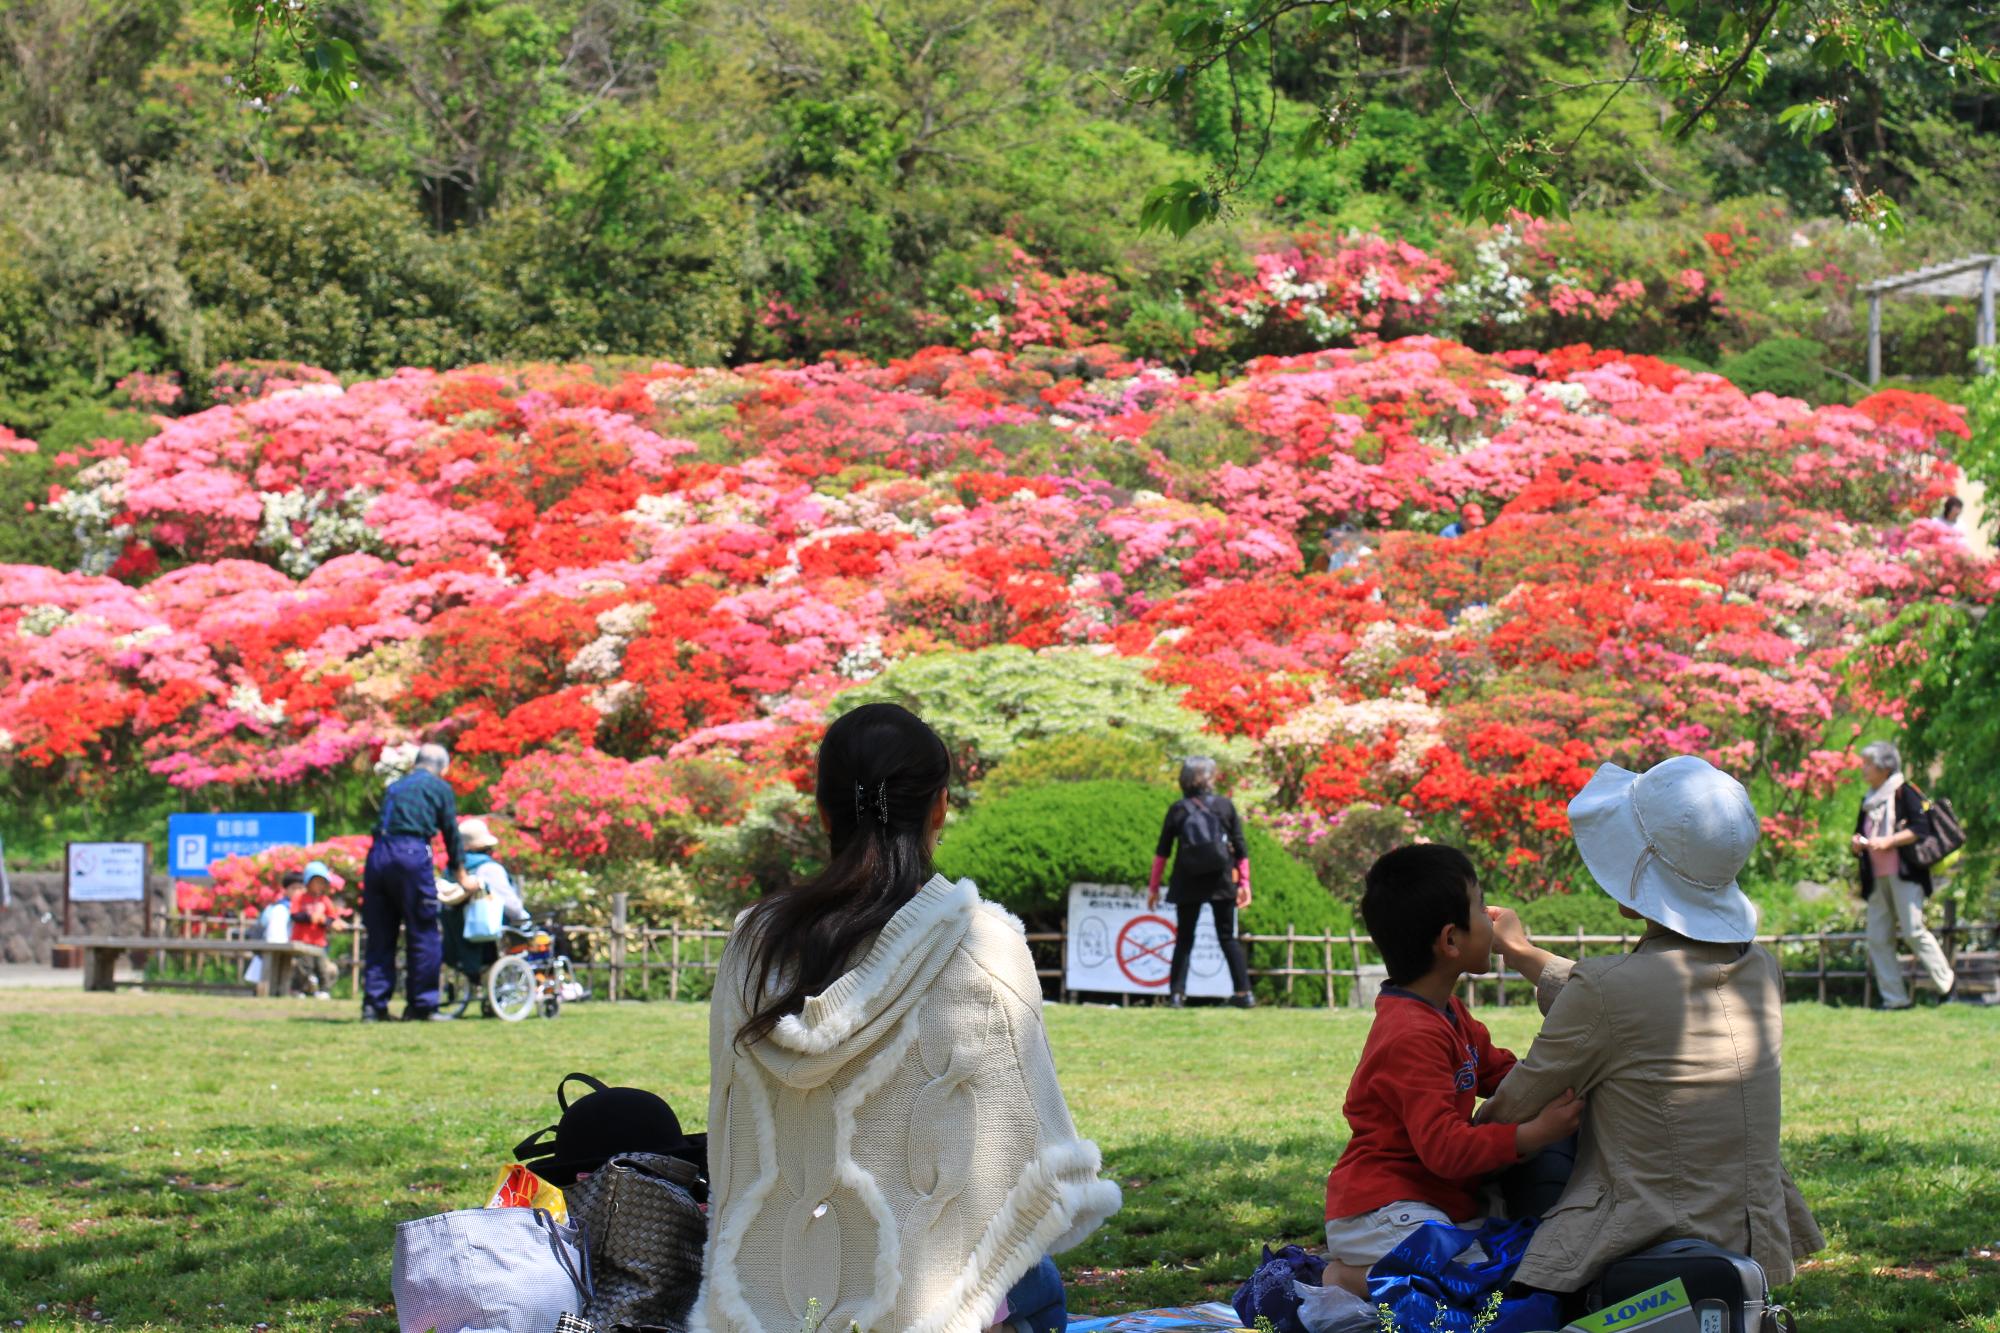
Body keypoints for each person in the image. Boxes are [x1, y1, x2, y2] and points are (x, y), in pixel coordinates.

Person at [693, 703, 1121, 1333]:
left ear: (823, 812)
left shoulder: (753, 946)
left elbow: (734, 1128)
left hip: (759, 1303)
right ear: (939, 808)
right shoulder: (982, 941)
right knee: (1039, 1284)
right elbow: (1047, 1169)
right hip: (935, 1310)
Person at [1475, 755, 1824, 1297]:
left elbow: (1511, 1111)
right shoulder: (1760, 969)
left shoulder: (1609, 991)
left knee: (1536, 1145)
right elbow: (1642, 1006)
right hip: (1743, 1233)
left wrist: (1434, 1152)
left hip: (1645, 1233)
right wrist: (1523, 953)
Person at [1322, 844, 1585, 1299]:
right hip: (1384, 1204)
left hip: (1431, 1201)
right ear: (1450, 941)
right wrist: (1534, 1134)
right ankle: (1342, 1278)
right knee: (1476, 1281)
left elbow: (1502, 1071)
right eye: (1480, 907)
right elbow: (1443, 1148)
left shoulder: (1446, 1012)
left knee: (1512, 1258)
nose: (1492, 916)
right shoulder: (1411, 1034)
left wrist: (1565, 1076)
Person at [361, 742, 474, 1022]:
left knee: (380, 934)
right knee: (423, 931)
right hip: (410, 854)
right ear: (443, 767)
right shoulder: (439, 788)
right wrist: (461, 875)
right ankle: (421, 1006)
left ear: (415, 763)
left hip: (377, 855)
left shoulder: (396, 787)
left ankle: (374, 1008)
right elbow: (451, 832)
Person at [1851, 740, 1954, 1008]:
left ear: (1885, 767)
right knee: (1878, 937)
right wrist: (1857, 843)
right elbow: (1860, 830)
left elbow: (1921, 829)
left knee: (1913, 931)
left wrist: (1889, 841)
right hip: (1875, 876)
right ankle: (1894, 999)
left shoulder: (1904, 792)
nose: (1864, 769)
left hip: (1905, 874)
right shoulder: (1868, 799)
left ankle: (1947, 985)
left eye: (1868, 764)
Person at [1147, 757, 1255, 1008]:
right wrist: (1245, 883)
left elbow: (1162, 852)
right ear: (1210, 778)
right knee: (1227, 937)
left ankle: (1176, 995)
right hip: (1222, 878)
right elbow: (1240, 847)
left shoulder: (1178, 809)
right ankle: (1244, 993)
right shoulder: (1224, 806)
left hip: (1188, 878)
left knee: (1184, 938)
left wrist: (1154, 887)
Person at [459, 818, 529, 928]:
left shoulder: (452, 870)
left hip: (453, 941)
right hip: (485, 940)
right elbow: (513, 908)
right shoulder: (489, 868)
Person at [289, 861, 343, 999]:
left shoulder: (325, 900)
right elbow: (294, 915)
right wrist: (309, 917)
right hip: (302, 941)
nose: (319, 885)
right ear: (308, 882)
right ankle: (297, 990)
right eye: (316, 881)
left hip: (319, 941)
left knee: (322, 967)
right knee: (303, 966)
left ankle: (324, 990)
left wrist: (324, 920)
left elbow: (331, 917)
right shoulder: (300, 898)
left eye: (322, 882)